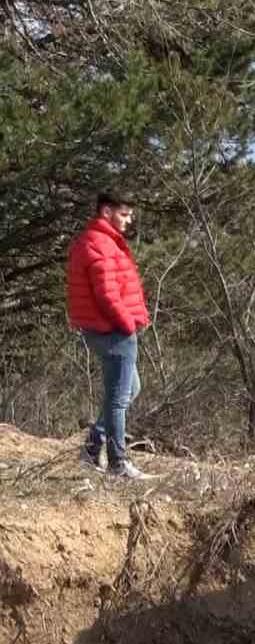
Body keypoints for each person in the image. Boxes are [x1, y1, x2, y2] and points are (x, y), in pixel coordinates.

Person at [67, 190, 157, 480]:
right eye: (124, 214)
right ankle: (118, 463)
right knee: (119, 399)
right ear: (106, 212)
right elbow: (106, 293)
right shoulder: (100, 243)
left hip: (104, 328)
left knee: (130, 389)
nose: (129, 220)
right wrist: (128, 323)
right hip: (113, 331)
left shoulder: (99, 241)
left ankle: (92, 449)